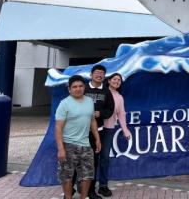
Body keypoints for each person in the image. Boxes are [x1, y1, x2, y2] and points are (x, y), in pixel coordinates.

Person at [55, 75, 101, 199]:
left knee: (88, 175)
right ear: (69, 89)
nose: (78, 89)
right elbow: (58, 127)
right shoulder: (64, 104)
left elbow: (92, 121)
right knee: (66, 175)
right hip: (68, 145)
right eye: (74, 87)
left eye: (80, 86)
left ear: (84, 87)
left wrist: (97, 139)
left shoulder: (89, 101)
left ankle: (83, 197)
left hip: (86, 145)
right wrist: (60, 149)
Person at [73, 64, 114, 199]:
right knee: (74, 160)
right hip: (80, 131)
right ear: (91, 75)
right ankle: (71, 189)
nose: (99, 75)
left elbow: (110, 110)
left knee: (93, 161)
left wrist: (100, 113)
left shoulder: (106, 92)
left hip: (98, 132)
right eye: (97, 72)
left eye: (102, 73)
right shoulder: (83, 87)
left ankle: (91, 191)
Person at [98, 73, 132, 196]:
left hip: (109, 129)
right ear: (109, 80)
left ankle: (103, 185)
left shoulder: (120, 97)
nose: (117, 81)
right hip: (94, 129)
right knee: (90, 157)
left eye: (119, 80)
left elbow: (121, 115)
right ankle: (85, 184)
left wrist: (125, 130)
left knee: (105, 158)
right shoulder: (101, 92)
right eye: (115, 79)